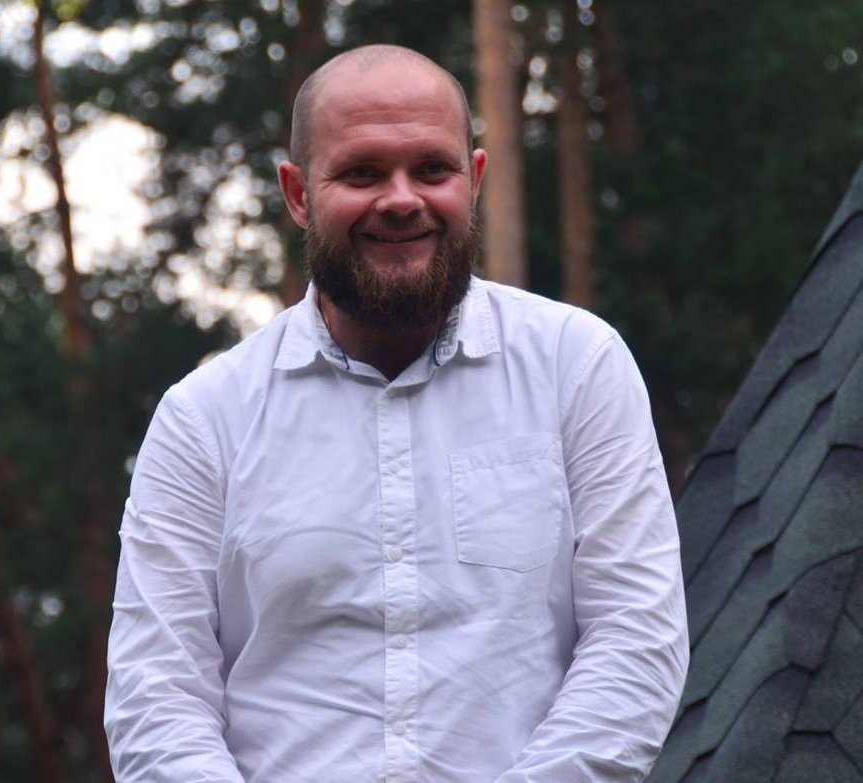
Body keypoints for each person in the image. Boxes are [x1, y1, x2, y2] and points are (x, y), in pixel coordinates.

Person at [104, 44, 689, 782]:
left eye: (433, 169)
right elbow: (156, 696)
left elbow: (636, 638)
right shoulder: (203, 419)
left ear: (474, 180)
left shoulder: (577, 366)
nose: (402, 199)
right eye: (361, 172)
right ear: (297, 194)